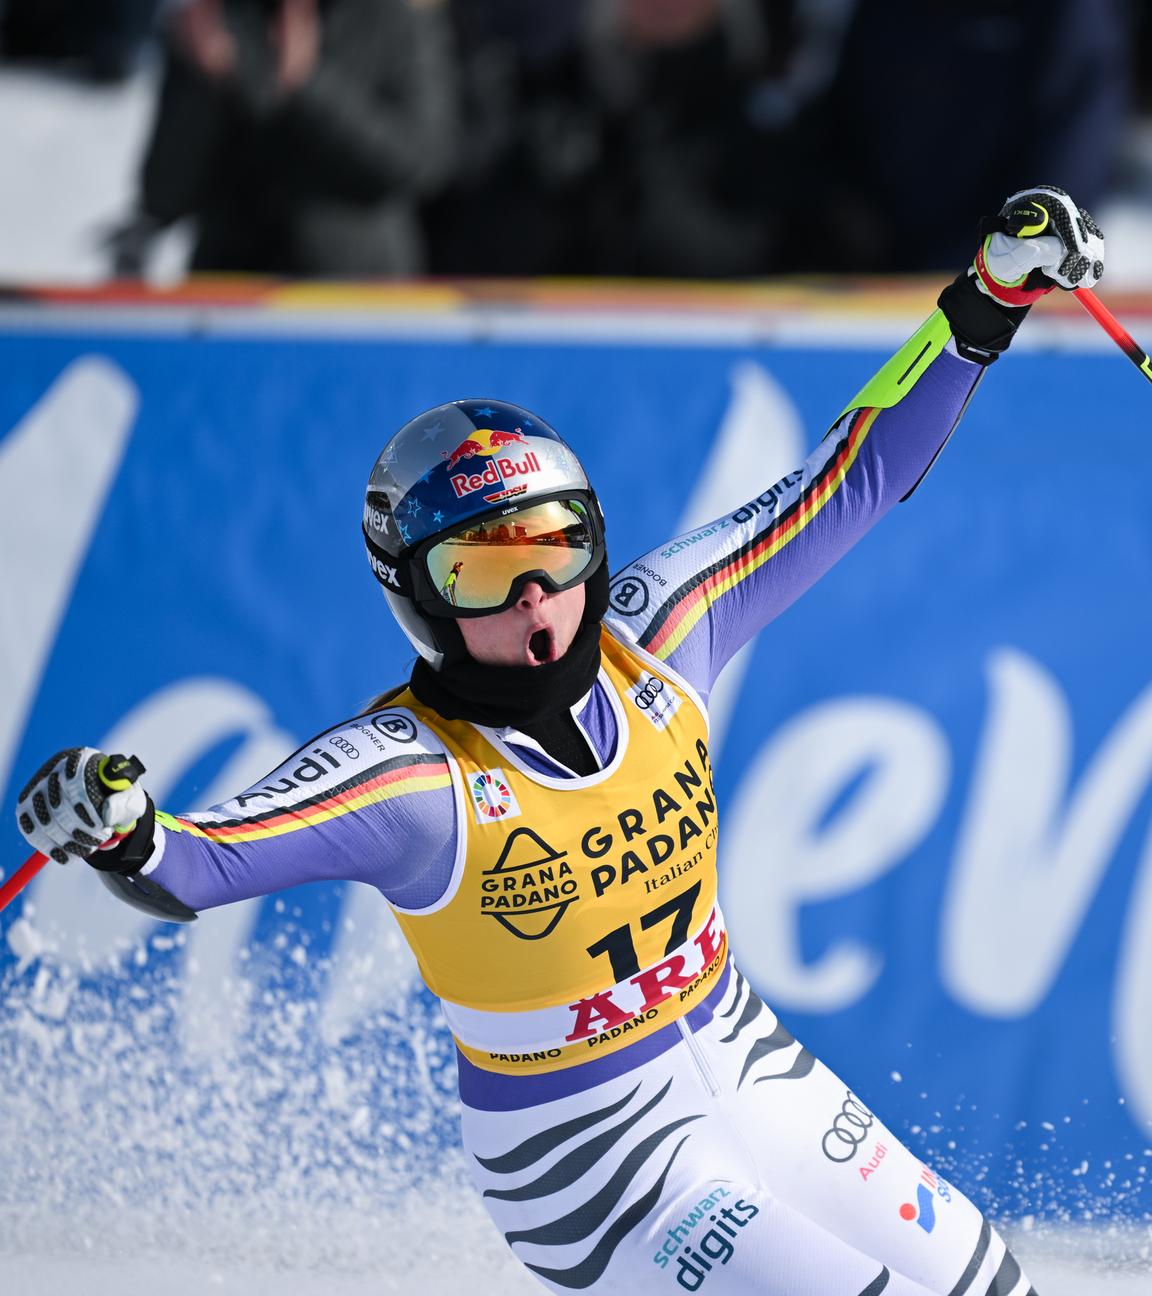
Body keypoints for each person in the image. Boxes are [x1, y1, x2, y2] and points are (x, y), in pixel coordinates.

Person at [15, 186, 1105, 1294]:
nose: (536, 598)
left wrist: (987, 300)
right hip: (594, 1163)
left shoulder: (667, 630)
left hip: (745, 1059)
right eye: (482, 573)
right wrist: (118, 829)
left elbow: (848, 477)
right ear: (417, 597)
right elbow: (193, 861)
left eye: (554, 545)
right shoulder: (412, 776)